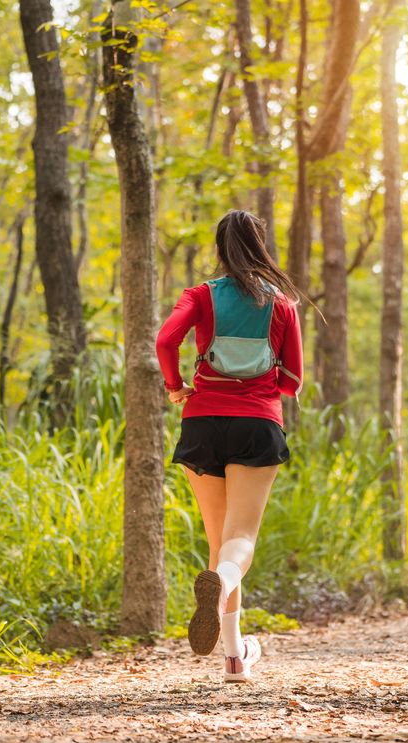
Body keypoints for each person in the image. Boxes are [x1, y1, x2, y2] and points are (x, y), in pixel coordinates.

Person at [154, 209, 305, 684]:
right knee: (239, 543)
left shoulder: (201, 296)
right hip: (257, 424)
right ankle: (225, 612)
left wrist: (176, 386)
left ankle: (235, 656)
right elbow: (292, 381)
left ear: (219, 250)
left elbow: (165, 340)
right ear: (260, 247)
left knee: (219, 544)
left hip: (201, 423)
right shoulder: (281, 304)